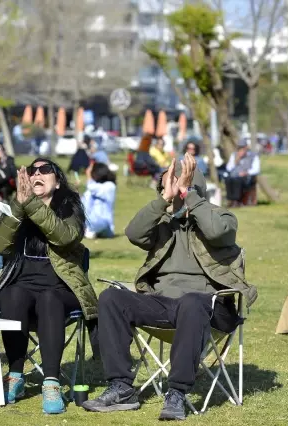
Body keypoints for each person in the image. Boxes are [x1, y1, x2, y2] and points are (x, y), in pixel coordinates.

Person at [82, 154, 257, 421]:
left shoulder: (221, 216)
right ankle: (121, 388)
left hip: (211, 306)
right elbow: (133, 234)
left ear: (192, 190)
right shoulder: (162, 222)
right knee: (111, 299)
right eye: (164, 189)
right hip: (163, 305)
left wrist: (189, 196)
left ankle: (176, 392)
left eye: (175, 188)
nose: (169, 194)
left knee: (192, 301)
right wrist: (163, 200)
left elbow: (217, 232)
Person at [0, 158, 98, 414]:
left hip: (62, 289)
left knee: (49, 299)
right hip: (22, 284)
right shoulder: (20, 205)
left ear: (57, 182)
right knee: (12, 294)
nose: (37, 174)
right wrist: (19, 209)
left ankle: (51, 382)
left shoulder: (70, 207)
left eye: (45, 170)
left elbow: (64, 236)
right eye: (32, 171)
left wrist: (30, 204)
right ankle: (15, 376)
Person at [82, 162, 116, 239]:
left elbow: (92, 188)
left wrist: (89, 176)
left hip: (104, 224)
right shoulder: (95, 187)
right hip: (93, 222)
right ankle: (88, 230)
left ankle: (88, 231)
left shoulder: (110, 186)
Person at [224, 140, 260, 207]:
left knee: (237, 180)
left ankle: (236, 200)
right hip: (234, 176)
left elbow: (256, 169)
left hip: (246, 177)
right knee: (228, 179)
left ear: (246, 147)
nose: (241, 149)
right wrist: (236, 161)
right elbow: (228, 168)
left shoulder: (253, 156)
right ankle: (230, 200)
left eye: (243, 147)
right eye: (240, 148)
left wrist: (246, 172)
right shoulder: (234, 155)